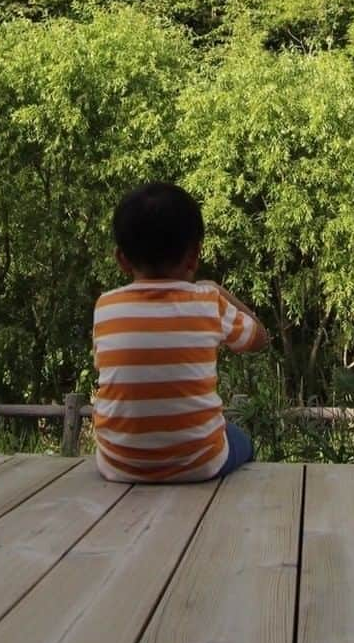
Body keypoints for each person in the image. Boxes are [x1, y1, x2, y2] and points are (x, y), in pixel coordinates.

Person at [92, 182, 268, 482]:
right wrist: (218, 291)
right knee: (241, 439)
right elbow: (260, 339)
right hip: (199, 464)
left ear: (122, 259)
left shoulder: (106, 307)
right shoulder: (208, 302)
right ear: (194, 254)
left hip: (118, 465)